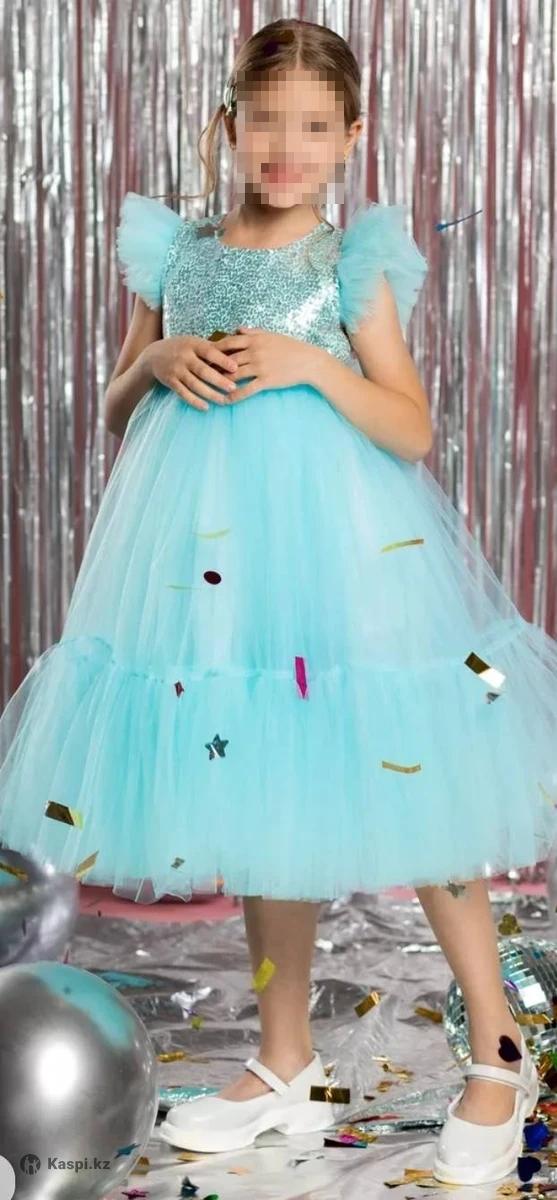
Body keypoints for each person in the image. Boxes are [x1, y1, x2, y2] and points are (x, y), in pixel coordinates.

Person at [0, 16, 553, 1184]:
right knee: (255, 772)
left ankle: (499, 1044)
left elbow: (409, 426)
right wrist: (155, 363)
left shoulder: (346, 263)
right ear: (227, 126)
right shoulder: (178, 253)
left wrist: (312, 363)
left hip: (346, 552)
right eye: (264, 123)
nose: (284, 149)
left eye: (312, 127)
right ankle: (286, 1059)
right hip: (209, 562)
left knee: (415, 768)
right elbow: (116, 407)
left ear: (351, 136)